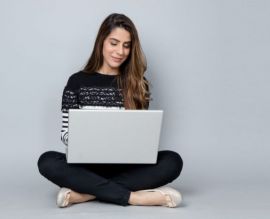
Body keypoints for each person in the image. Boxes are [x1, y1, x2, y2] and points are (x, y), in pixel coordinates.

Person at [37, 13, 183, 208]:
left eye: (126, 45)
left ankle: (86, 193)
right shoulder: (76, 82)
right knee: (47, 161)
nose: (120, 51)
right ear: (101, 42)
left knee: (173, 161)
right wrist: (87, 139)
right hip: (85, 166)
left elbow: (141, 137)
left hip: (126, 167)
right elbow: (65, 134)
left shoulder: (138, 84)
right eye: (114, 43)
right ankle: (133, 197)